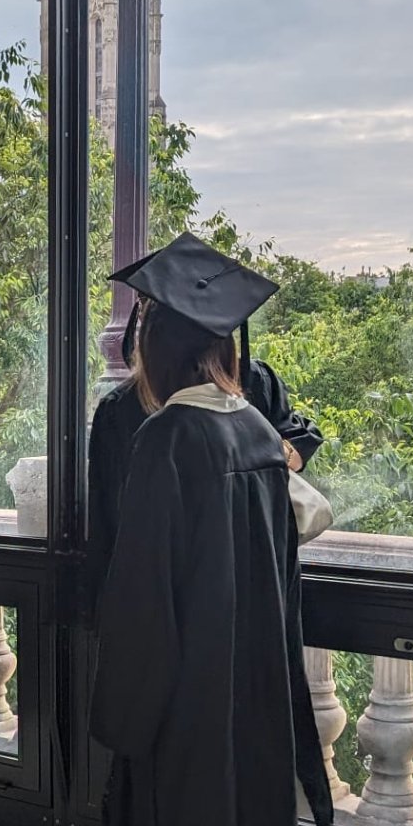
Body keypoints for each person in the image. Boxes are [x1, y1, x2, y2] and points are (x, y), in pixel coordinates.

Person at [90, 233, 334, 826]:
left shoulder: (165, 442)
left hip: (185, 703)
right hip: (250, 689)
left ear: (152, 348)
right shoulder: (261, 439)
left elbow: (141, 598)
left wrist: (125, 714)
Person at [87, 247, 323, 618]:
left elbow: (107, 523)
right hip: (249, 591)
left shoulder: (253, 384)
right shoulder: (125, 409)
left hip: (171, 601)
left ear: (150, 341)